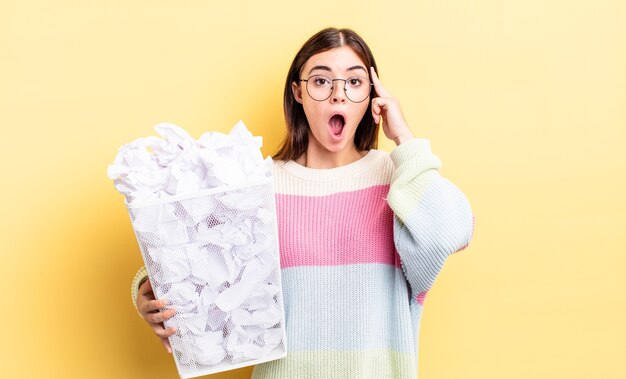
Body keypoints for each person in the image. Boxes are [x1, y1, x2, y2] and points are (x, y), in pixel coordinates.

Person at [131, 27, 474, 378]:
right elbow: (195, 258)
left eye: (354, 83)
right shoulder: (259, 184)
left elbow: (450, 231)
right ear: (298, 91)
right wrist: (148, 290)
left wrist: (404, 137)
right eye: (322, 81)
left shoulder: (398, 177)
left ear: (373, 96)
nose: (338, 95)